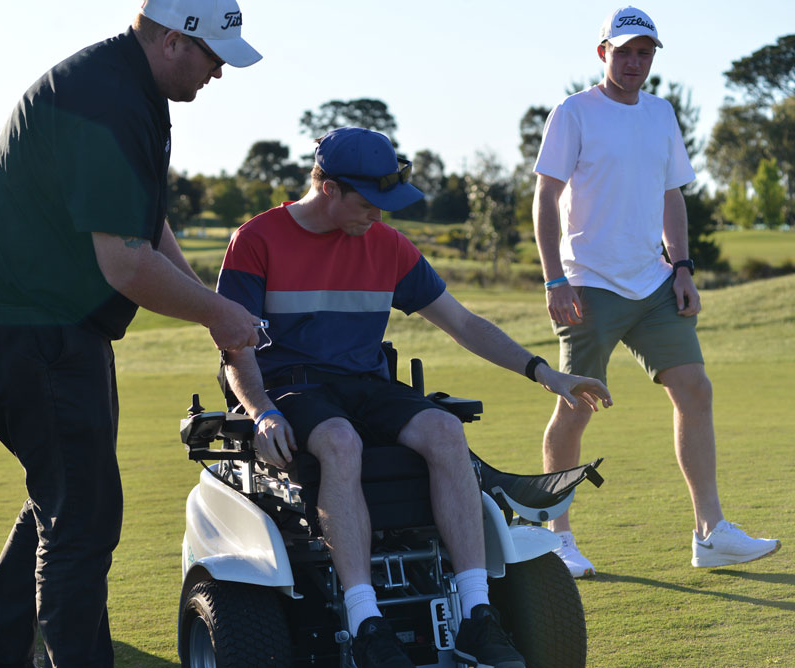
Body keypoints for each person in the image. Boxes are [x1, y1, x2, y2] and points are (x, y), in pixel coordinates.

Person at [217, 127, 613, 668]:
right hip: (292, 385)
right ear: (328, 188)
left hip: (366, 384)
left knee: (446, 431)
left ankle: (476, 615)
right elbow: (235, 349)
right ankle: (366, 623)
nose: (378, 216)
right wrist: (261, 412)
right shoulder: (256, 239)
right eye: (367, 203)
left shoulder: (388, 245)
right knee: (339, 440)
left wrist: (545, 373)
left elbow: (463, 323)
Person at [0, 1, 263, 666]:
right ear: (175, 40)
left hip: (42, 329)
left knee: (62, 500)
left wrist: (209, 303)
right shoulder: (109, 99)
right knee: (83, 521)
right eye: (213, 56)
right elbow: (124, 264)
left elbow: (144, 223)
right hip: (32, 333)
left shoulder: (124, 86)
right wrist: (218, 314)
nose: (218, 72)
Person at [532, 6, 780, 579]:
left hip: (654, 282)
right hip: (588, 284)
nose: (635, 62)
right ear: (603, 53)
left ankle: (710, 533)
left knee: (695, 388)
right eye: (624, 52)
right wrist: (554, 278)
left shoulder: (661, 113)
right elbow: (546, 197)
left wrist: (683, 267)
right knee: (576, 404)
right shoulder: (573, 112)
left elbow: (672, 195)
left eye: (644, 53)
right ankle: (556, 537)